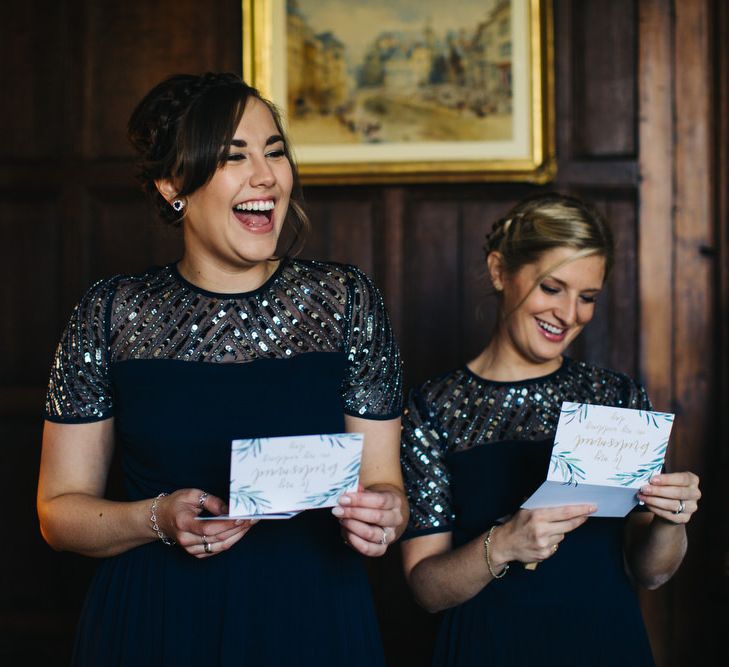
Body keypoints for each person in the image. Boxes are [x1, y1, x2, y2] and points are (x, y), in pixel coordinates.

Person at [38, 72, 407, 667]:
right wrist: (155, 517)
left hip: (313, 618)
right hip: (157, 621)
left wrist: (385, 515)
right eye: (235, 157)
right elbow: (59, 514)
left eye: (276, 152)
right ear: (171, 185)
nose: (265, 176)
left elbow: (387, 486)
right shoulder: (112, 313)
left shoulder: (347, 300)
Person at [400, 194, 701, 666]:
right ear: (500, 271)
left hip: (606, 643)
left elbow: (652, 572)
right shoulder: (432, 407)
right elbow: (426, 589)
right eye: (551, 288)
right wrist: (501, 545)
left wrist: (671, 518)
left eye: (587, 298)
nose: (568, 314)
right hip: (489, 648)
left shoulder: (615, 397)